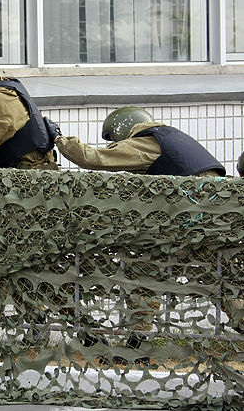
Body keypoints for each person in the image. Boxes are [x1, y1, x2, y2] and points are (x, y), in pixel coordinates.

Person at [55, 106, 231, 365]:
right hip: (214, 219)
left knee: (144, 277)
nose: (117, 145)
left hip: (188, 221)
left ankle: (136, 347)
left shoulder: (147, 142)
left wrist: (59, 139)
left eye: (117, 140)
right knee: (222, 282)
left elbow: (94, 158)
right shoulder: (173, 138)